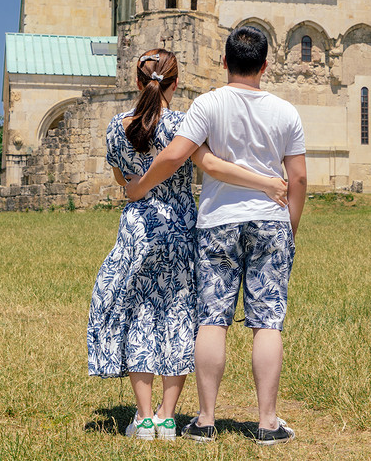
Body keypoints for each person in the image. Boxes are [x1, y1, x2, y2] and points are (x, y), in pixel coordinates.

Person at [87, 49, 288, 441]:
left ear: (136, 81)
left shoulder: (116, 127)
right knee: (179, 314)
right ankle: (167, 415)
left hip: (137, 228)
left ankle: (143, 418)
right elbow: (209, 165)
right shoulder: (182, 124)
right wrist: (266, 182)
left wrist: (138, 187)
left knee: (140, 313)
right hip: (181, 225)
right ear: (174, 83)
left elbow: (122, 179)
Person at [127, 26, 307, 445]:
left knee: (212, 319)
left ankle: (206, 419)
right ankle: (267, 423)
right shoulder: (286, 112)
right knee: (268, 324)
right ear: (265, 65)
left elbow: (176, 154)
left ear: (224, 62)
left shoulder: (207, 104)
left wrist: (140, 187)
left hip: (217, 222)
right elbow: (297, 178)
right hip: (270, 220)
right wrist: (290, 228)